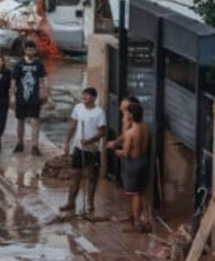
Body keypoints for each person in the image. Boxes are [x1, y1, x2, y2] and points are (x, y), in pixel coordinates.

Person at [107, 97, 152, 231]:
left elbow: (126, 153)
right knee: (142, 191)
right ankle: (145, 219)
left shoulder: (131, 132)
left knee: (135, 194)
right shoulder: (146, 128)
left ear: (131, 115)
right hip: (144, 160)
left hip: (134, 163)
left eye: (126, 113)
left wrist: (114, 150)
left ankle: (136, 222)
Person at [60, 87, 106, 214]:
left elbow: (103, 132)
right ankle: (70, 202)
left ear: (93, 98)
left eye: (87, 95)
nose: (84, 97)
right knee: (75, 176)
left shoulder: (99, 112)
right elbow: (73, 125)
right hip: (78, 148)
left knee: (92, 177)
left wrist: (90, 140)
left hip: (92, 150)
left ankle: (90, 203)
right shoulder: (78, 108)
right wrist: (67, 142)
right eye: (83, 95)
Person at [11, 40, 49, 155]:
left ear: (35, 50)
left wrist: (45, 90)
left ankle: (34, 146)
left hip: (34, 97)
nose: (30, 51)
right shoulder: (19, 64)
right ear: (25, 50)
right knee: (20, 121)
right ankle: (19, 143)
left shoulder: (38, 64)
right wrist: (13, 96)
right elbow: (13, 81)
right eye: (28, 49)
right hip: (21, 97)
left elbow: (44, 78)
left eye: (32, 49)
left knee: (35, 121)